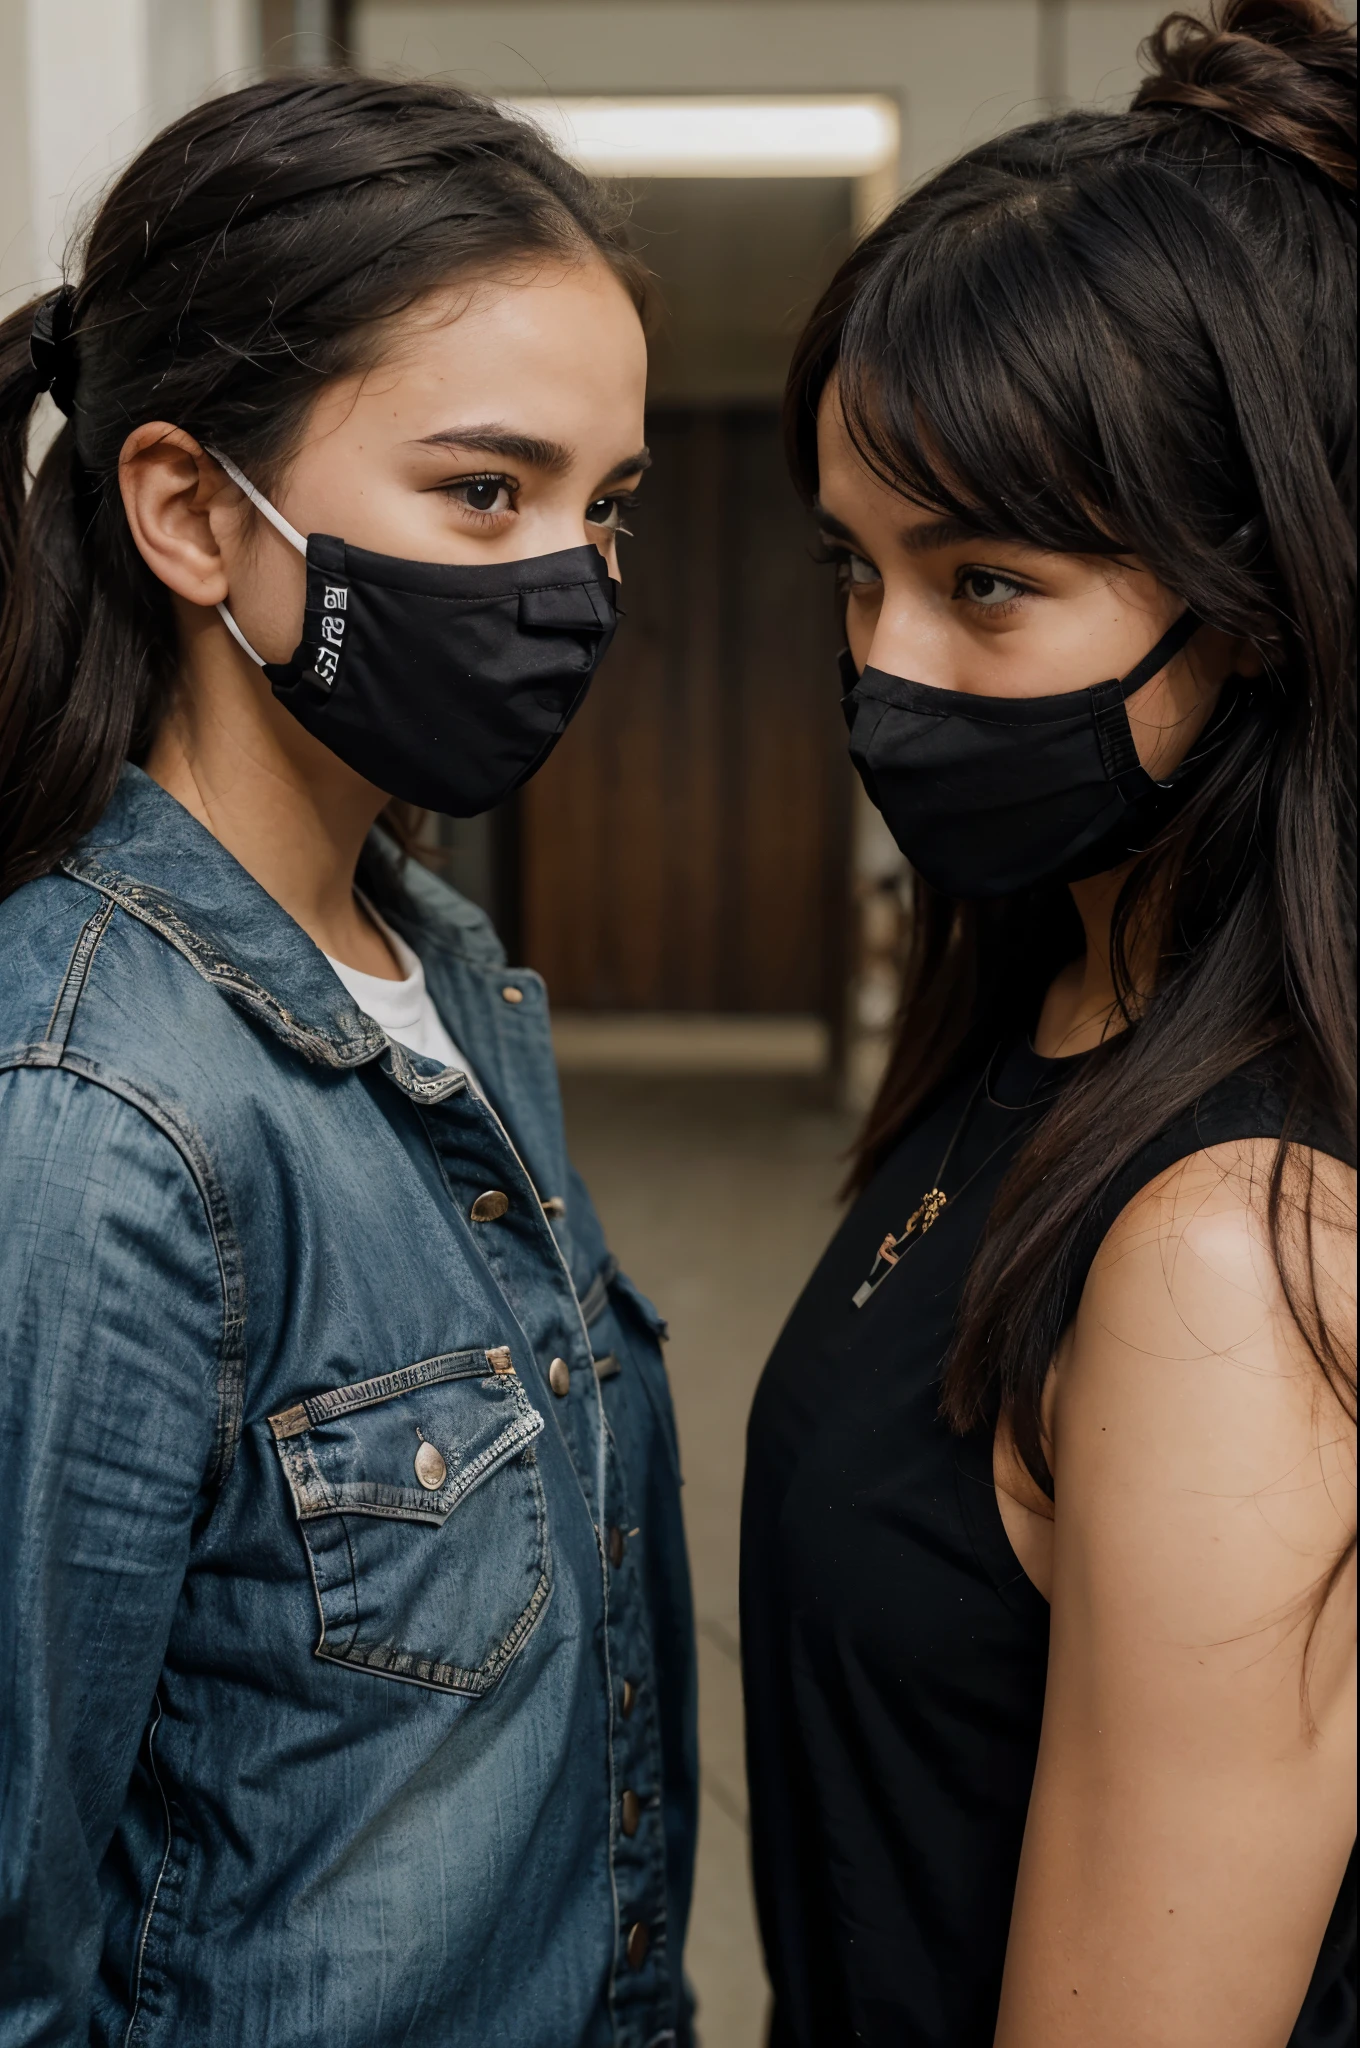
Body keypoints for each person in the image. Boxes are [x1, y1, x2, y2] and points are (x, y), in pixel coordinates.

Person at [0, 75, 696, 2048]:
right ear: (195, 513)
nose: (571, 582)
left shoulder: (445, 966)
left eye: (603, 505)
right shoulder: (86, 1120)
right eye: (484, 491)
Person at [741, 2, 1356, 2043]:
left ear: (1255, 598)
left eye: (981, 584)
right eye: (854, 571)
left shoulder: (1220, 1257)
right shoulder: (1044, 1015)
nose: (881, 670)